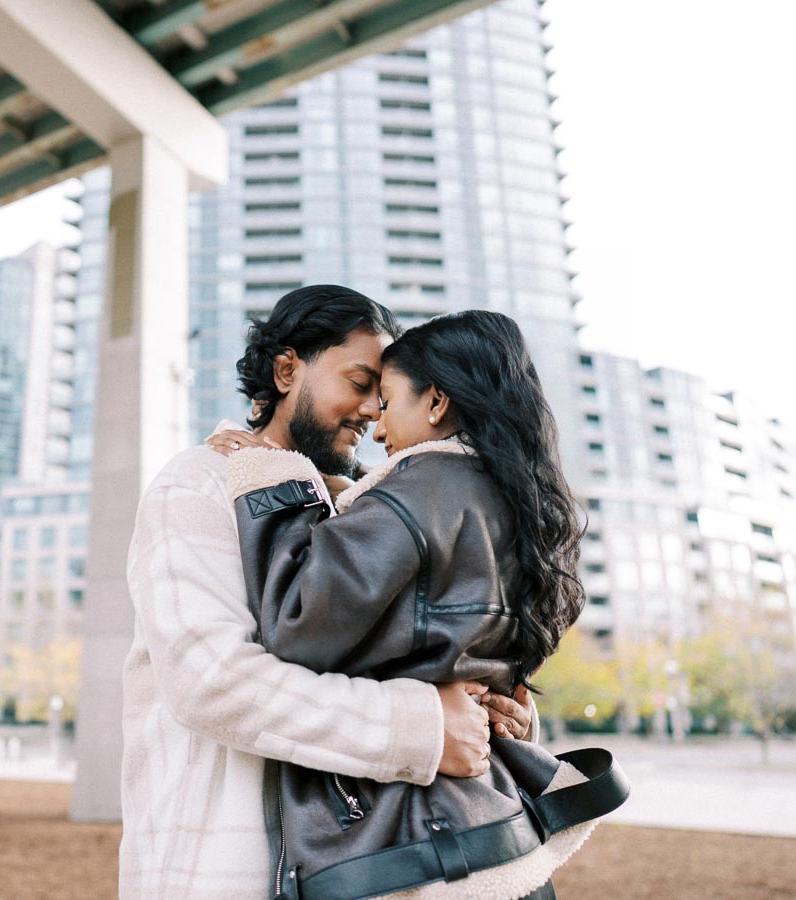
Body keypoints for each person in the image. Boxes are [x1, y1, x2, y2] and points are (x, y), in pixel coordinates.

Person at [119, 287, 537, 899]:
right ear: (288, 370)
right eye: (361, 381)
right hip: (225, 869)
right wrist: (424, 730)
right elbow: (212, 680)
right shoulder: (199, 485)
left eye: (385, 392)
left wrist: (491, 714)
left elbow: (432, 653)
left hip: (372, 869)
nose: (374, 410)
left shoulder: (381, 503)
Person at [210, 310, 628, 899]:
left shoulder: (415, 490)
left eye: (385, 399)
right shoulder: (518, 503)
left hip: (414, 852)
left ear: (434, 402)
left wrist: (271, 483)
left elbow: (298, 624)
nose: (376, 427)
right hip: (499, 834)